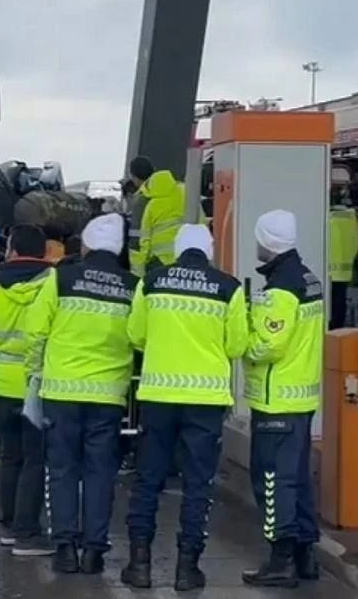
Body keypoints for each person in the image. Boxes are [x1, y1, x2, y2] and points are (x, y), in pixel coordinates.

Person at [121, 223, 249, 592]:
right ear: (208, 251)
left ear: (178, 250)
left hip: (158, 398)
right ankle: (187, 568)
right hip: (205, 402)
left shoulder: (153, 281)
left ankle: (139, 564)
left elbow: (136, 335)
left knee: (148, 480)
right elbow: (237, 345)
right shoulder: (229, 287)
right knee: (198, 484)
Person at [33, 214, 137, 575]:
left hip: (61, 392)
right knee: (100, 473)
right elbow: (139, 337)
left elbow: (35, 329)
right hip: (108, 396)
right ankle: (94, 551)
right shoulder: (132, 286)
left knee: (61, 469)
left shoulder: (59, 278)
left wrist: (36, 374)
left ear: (87, 245)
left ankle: (64, 548)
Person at [241, 210, 326, 588]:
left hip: (276, 399)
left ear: (268, 242)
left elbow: (268, 346)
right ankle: (305, 555)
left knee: (273, 482)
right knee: (297, 481)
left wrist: (243, 341)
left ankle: (280, 559)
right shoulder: (308, 279)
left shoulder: (280, 290)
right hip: (301, 397)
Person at [0, 224, 54, 557]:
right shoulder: (54, 285)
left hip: (1, 387)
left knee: (10, 456)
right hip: (38, 387)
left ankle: (8, 525)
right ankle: (27, 533)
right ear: (45, 252)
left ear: (11, 250)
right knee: (36, 459)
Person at [125, 155, 186, 276]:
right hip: (187, 259)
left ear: (134, 177)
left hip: (159, 264)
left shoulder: (143, 200)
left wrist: (138, 276)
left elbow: (137, 243)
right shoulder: (184, 190)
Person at [328, 178, 358, 329]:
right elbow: (356, 240)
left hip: (327, 268)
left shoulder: (327, 216)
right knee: (339, 305)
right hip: (345, 270)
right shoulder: (351, 216)